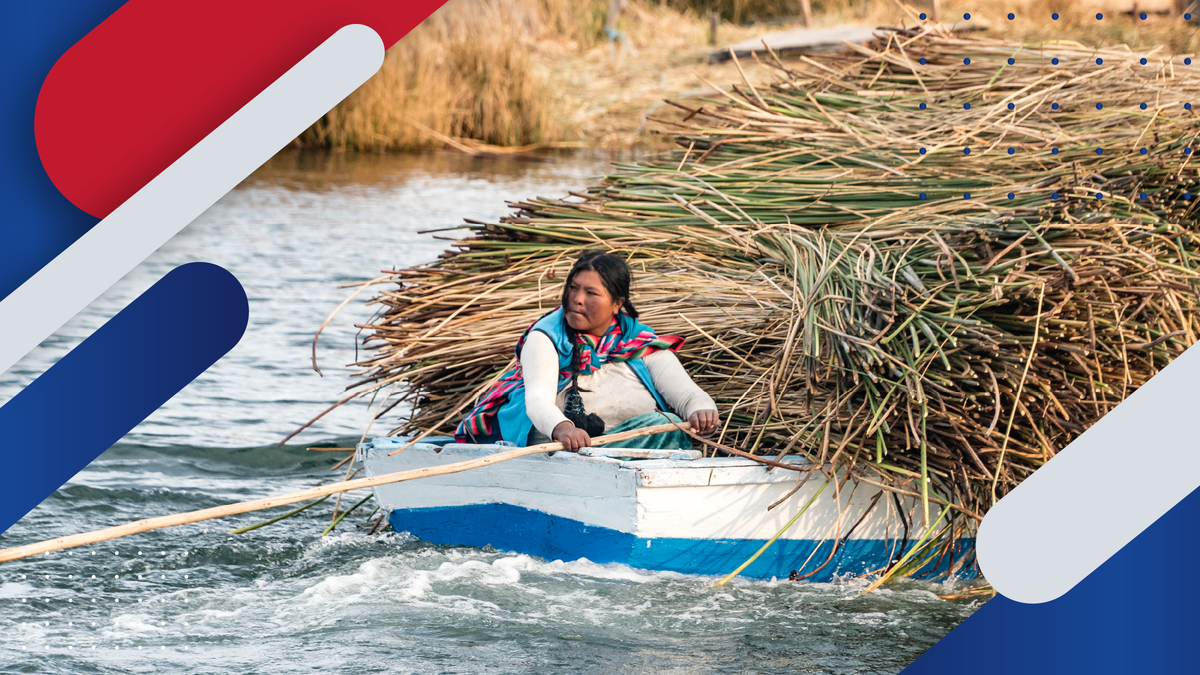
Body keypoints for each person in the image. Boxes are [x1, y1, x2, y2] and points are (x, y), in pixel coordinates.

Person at [455, 251, 719, 450]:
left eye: (591, 293)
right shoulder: (545, 338)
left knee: (666, 425)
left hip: (630, 451)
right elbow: (537, 402)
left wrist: (702, 411)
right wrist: (562, 428)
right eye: (573, 288)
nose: (577, 299)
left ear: (617, 304)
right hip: (562, 451)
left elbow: (688, 396)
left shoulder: (640, 343)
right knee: (663, 427)